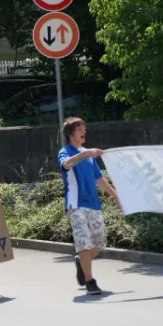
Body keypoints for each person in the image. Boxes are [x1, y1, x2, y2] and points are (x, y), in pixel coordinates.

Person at [58, 117, 120, 295]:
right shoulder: (66, 151)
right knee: (83, 242)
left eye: (84, 128)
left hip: (94, 204)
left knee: (100, 243)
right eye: (79, 129)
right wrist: (85, 154)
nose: (83, 131)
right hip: (75, 204)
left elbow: (98, 178)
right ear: (71, 134)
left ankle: (81, 262)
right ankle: (90, 281)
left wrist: (116, 196)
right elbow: (66, 164)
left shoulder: (88, 154)